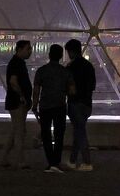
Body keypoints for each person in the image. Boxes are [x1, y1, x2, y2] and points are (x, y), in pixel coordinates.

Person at [32, 43, 72, 173]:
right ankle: (56, 161)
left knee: (46, 134)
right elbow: (71, 90)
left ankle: (51, 162)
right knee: (59, 134)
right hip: (60, 106)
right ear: (61, 56)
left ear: (49, 55)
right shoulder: (65, 72)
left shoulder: (41, 71)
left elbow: (36, 90)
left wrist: (34, 106)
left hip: (45, 107)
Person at [0, 39, 33, 169]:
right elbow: (13, 82)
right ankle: (20, 160)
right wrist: (22, 96)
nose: (30, 51)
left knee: (15, 130)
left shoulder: (18, 63)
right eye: (28, 49)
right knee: (19, 131)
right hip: (17, 102)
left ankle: (3, 158)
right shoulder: (16, 63)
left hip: (15, 101)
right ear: (19, 49)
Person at [65, 38, 96, 171]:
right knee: (79, 131)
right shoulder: (89, 66)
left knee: (80, 132)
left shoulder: (70, 67)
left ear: (71, 52)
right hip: (87, 103)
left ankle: (87, 162)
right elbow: (92, 86)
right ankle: (72, 160)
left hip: (75, 103)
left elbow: (67, 86)